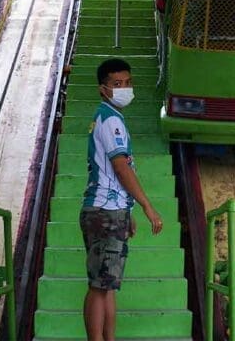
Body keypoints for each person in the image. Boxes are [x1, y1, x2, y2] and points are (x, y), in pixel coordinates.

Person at [81, 58, 163, 341]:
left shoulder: (107, 117)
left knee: (107, 284)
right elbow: (121, 167)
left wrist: (126, 211)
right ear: (103, 89)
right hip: (105, 211)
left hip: (110, 210)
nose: (125, 88)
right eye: (117, 84)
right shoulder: (111, 120)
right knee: (99, 286)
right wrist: (147, 206)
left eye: (128, 83)